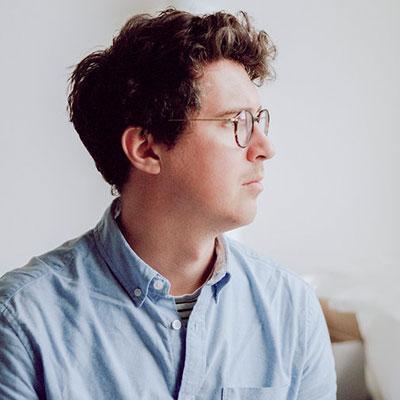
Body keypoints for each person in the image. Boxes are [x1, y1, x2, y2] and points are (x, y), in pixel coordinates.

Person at [0, 8, 336, 399]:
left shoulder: (291, 309)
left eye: (260, 121)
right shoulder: (22, 321)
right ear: (147, 149)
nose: (265, 148)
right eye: (236, 123)